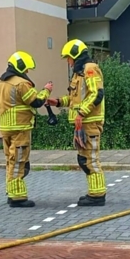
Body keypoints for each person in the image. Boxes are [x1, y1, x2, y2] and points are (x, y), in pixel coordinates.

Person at [47, 40, 107, 206]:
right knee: (83, 159)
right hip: (82, 122)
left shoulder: (90, 69)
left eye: (69, 58)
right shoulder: (78, 74)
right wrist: (57, 102)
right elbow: (75, 99)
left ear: (76, 55)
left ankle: (97, 195)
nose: (68, 61)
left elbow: (97, 94)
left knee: (91, 159)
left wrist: (81, 113)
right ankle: (93, 192)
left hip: (90, 121)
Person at [0, 51, 53, 208]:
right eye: (26, 69)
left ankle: (11, 192)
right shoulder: (21, 84)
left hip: (5, 127)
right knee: (19, 161)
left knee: (10, 160)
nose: (27, 72)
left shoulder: (0, 82)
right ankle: (18, 198)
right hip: (20, 127)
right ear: (21, 67)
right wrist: (47, 90)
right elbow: (36, 101)